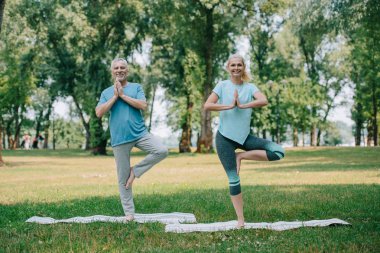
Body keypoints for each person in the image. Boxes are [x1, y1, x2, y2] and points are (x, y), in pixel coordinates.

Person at [204, 54, 285, 228]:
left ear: (244, 67)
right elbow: (207, 105)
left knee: (278, 151)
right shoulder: (222, 85)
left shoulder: (250, 88)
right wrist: (229, 106)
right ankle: (240, 219)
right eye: (233, 65)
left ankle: (240, 156)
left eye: (239, 65)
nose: (236, 68)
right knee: (234, 179)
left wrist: (242, 105)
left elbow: (263, 100)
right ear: (228, 67)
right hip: (225, 138)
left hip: (245, 137)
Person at [95, 58, 168, 221]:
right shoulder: (106, 92)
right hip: (119, 139)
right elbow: (99, 113)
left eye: (122, 68)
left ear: (127, 71)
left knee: (161, 150)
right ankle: (129, 213)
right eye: (116, 68)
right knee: (123, 179)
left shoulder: (136, 87)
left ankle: (135, 171)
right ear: (112, 71)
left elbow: (142, 105)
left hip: (140, 134)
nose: (119, 70)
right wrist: (115, 97)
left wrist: (123, 96)